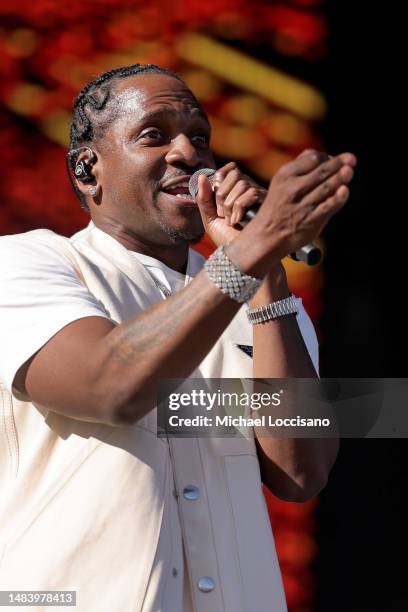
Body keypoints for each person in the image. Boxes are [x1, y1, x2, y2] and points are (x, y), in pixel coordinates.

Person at [0, 64, 356, 612]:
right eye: (155, 134)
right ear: (87, 170)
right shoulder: (27, 263)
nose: (189, 154)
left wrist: (268, 281)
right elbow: (110, 388)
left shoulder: (269, 305)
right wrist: (247, 256)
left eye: (201, 138)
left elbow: (301, 473)